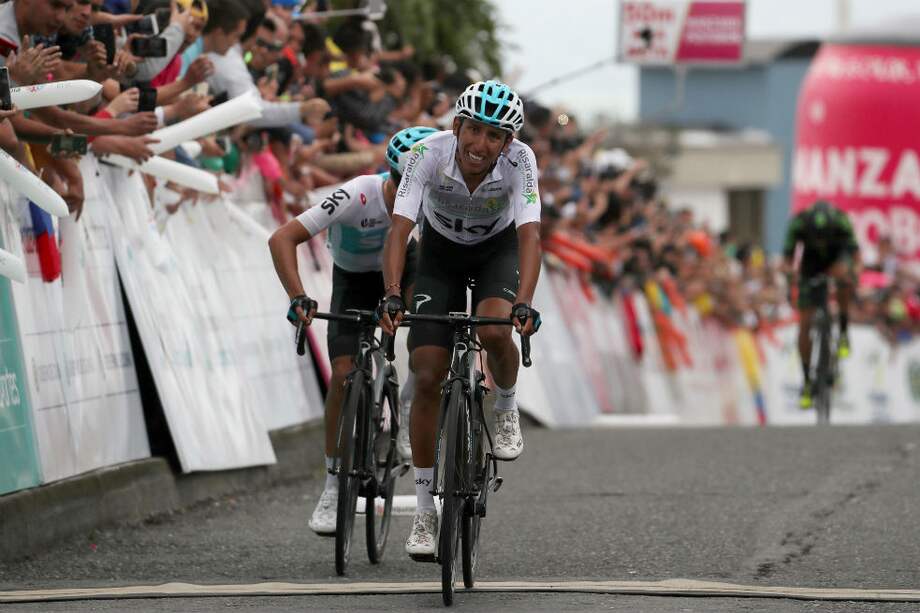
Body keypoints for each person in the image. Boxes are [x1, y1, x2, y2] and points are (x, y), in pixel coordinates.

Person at [377, 80, 543, 559]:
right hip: (440, 255)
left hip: (498, 250)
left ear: (508, 142)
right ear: (456, 126)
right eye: (473, 130)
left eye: (494, 136)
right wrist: (392, 293)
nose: (481, 145)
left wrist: (524, 301)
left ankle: (506, 406)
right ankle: (426, 512)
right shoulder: (427, 154)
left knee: (493, 329)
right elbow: (401, 227)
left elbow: (530, 235)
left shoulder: (521, 161)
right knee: (427, 371)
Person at [268, 125, 436, 535]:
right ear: (390, 176)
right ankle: (331, 486)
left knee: (427, 341)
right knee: (343, 376)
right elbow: (282, 238)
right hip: (353, 279)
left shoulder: (435, 204)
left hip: (407, 268)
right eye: (403, 183)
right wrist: (297, 295)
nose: (411, 194)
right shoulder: (356, 193)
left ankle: (408, 405)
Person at [782, 200, 860, 409]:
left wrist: (853, 275)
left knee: (844, 279)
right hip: (811, 264)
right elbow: (787, 260)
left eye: (824, 236)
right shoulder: (798, 224)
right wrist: (790, 278)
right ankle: (807, 381)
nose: (820, 240)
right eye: (816, 237)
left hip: (837, 258)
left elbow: (856, 255)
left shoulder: (842, 222)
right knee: (804, 323)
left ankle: (843, 332)